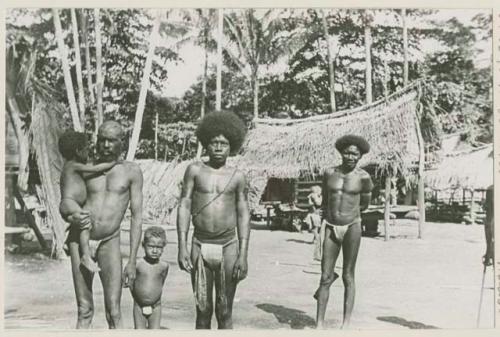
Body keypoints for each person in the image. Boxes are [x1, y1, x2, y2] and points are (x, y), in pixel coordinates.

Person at [60, 121, 143, 329]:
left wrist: (132, 260)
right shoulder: (84, 167)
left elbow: (136, 217)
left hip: (110, 241)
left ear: (121, 142)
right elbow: (66, 202)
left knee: (114, 311)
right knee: (84, 309)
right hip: (79, 241)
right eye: (102, 139)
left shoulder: (131, 171)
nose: (105, 145)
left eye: (111, 140)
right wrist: (71, 219)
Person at [177, 110, 250, 329]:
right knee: (202, 309)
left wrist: (243, 254)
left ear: (232, 146)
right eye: (214, 142)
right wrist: (182, 245)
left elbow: (243, 214)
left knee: (225, 310)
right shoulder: (194, 171)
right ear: (205, 144)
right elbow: (185, 204)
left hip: (228, 246)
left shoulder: (237, 176)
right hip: (199, 244)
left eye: (224, 143)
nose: (218, 147)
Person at [314, 134, 373, 329]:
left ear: (360, 156)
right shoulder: (329, 173)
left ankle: (346, 325)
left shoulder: (364, 177)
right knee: (325, 276)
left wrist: (349, 215)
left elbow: (364, 203)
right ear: (341, 153)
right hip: (331, 226)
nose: (350, 156)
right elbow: (324, 198)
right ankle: (319, 325)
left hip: (352, 227)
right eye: (347, 152)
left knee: (348, 274)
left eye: (355, 154)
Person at [59, 130, 118, 273]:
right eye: (86, 149)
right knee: (86, 223)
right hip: (70, 202)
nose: (88, 152)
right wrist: (112, 163)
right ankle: (86, 256)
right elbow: (95, 168)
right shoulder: (72, 165)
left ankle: (68, 242)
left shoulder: (70, 167)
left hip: (69, 203)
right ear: (78, 151)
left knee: (81, 223)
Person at [130, 226, 169, 329]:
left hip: (156, 306)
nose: (155, 250)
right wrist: (138, 297)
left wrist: (154, 297)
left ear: (164, 247)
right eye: (151, 246)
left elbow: (161, 282)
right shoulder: (138, 264)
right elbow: (130, 283)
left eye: (159, 247)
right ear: (143, 245)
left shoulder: (164, 266)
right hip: (138, 305)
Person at [304, 185, 323, 260]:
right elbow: (318, 203)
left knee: (315, 227)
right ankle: (317, 239)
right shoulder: (314, 195)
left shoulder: (313, 195)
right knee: (314, 227)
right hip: (314, 213)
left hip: (314, 213)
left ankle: (316, 239)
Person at [483, 184, 494, 266]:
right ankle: (489, 255)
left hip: (490, 220)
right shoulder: (491, 189)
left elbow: (486, 206)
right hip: (490, 221)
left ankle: (489, 255)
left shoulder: (490, 189)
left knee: (490, 241)